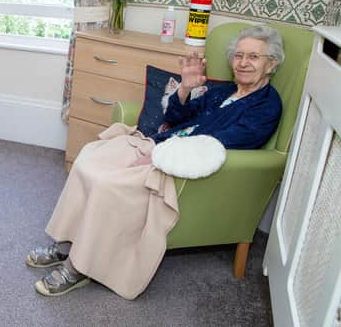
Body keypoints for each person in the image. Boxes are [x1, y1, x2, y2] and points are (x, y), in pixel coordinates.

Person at [27, 25, 284, 299]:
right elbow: (175, 116)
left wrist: (162, 156)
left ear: (271, 64)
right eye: (239, 55)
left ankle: (78, 266)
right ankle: (68, 242)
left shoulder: (266, 106)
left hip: (179, 163)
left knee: (107, 184)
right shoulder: (223, 92)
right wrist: (185, 88)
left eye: (253, 57)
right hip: (159, 143)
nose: (243, 63)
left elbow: (225, 143)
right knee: (89, 158)